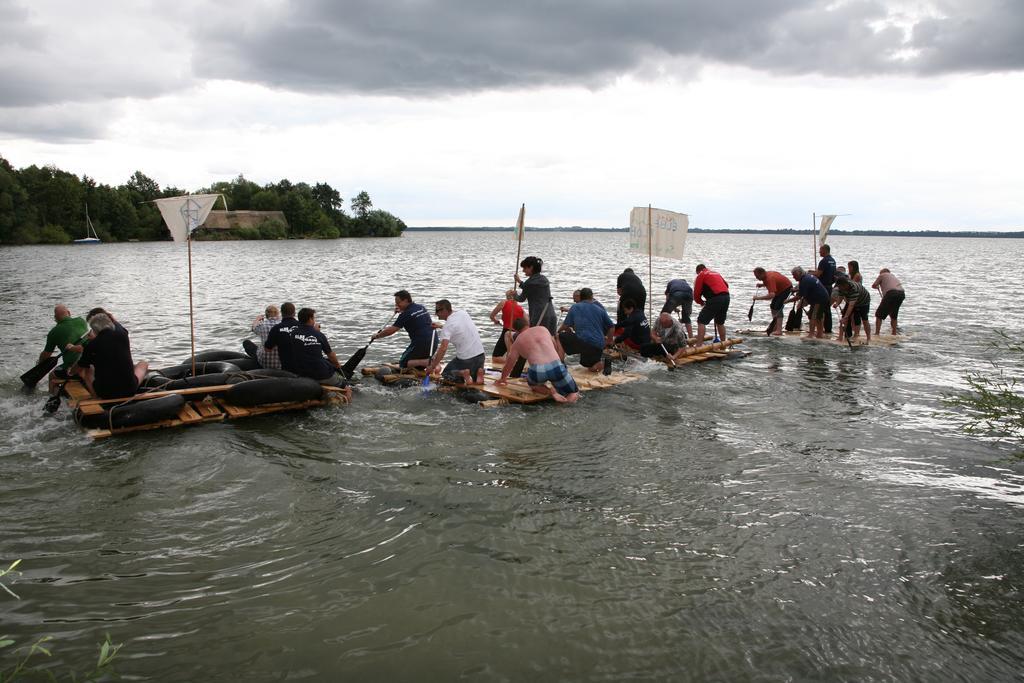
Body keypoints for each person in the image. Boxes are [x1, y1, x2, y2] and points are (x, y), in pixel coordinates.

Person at [496, 319, 579, 403]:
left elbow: (510, 362)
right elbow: (554, 345)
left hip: (537, 370)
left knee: (533, 385)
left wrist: (503, 378)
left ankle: (551, 392)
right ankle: (566, 405)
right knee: (573, 392)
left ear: (515, 330)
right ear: (528, 324)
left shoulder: (517, 342)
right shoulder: (543, 329)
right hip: (555, 366)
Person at [73, 313, 148, 399]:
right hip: (130, 389)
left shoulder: (91, 345)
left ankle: (96, 396)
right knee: (143, 363)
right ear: (110, 323)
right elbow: (116, 323)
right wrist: (109, 316)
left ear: (94, 330)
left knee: (88, 368)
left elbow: (80, 366)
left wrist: (71, 372)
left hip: (105, 393)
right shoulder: (123, 334)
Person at [39, 304, 89, 412]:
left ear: (56, 319)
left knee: (52, 376)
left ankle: (51, 399)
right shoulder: (81, 321)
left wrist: (39, 362)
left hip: (72, 368)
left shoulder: (53, 332)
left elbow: (47, 354)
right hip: (88, 364)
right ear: (69, 313)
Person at [427, 300, 487, 384]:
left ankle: (462, 373)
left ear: (444, 310)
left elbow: (443, 348)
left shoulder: (448, 327)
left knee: (446, 374)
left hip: (466, 360)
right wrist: (440, 326)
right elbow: (457, 328)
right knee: (474, 377)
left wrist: (432, 366)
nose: (436, 313)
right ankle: (479, 372)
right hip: (481, 356)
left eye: (437, 311)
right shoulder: (462, 313)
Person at [373, 290, 436, 368]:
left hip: (421, 343)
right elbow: (413, 316)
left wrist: (378, 336)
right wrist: (402, 310)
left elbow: (392, 330)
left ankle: (428, 362)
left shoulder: (405, 314)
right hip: (434, 340)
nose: (396, 305)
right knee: (416, 365)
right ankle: (430, 361)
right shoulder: (421, 307)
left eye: (398, 303)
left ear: (405, 300)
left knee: (403, 363)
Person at [558, 287, 614, 373]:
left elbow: (565, 326)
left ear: (580, 297)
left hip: (583, 341)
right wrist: (609, 340)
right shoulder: (599, 309)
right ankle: (603, 363)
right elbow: (611, 326)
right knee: (590, 367)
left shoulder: (575, 307)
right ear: (591, 297)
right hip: (597, 343)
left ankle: (560, 364)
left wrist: (557, 332)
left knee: (559, 337)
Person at [288, 307, 346, 387]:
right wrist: (337, 364)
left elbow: (306, 337)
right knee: (344, 384)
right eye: (313, 318)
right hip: (321, 373)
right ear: (310, 319)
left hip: (303, 373)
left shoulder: (293, 334)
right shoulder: (319, 335)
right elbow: (330, 355)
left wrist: (313, 330)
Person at [514, 256, 557, 334]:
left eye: (525, 268)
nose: (523, 270)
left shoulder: (529, 282)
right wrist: (520, 282)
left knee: (538, 339)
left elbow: (521, 298)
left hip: (539, 316)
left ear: (531, 267)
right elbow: (530, 287)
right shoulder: (544, 279)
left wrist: (514, 294)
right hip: (551, 314)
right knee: (551, 339)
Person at [786, 266, 830, 338]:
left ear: (799, 273)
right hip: (822, 297)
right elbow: (805, 289)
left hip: (819, 299)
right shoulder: (807, 277)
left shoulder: (805, 280)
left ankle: (811, 334)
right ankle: (820, 333)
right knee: (818, 316)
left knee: (813, 316)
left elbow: (799, 296)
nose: (793, 277)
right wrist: (795, 290)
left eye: (794, 275)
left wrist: (787, 301)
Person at [692, 264, 730, 344]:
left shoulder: (701, 275)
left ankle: (699, 345)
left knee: (701, 320)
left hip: (715, 298)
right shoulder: (716, 273)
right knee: (720, 322)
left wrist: (701, 302)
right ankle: (723, 344)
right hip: (726, 296)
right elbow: (726, 285)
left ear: (698, 271)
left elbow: (696, 294)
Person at [752, 268, 793, 336]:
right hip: (780, 289)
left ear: (762, 273)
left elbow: (771, 295)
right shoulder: (766, 276)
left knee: (777, 307)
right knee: (772, 306)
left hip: (786, 289)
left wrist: (758, 298)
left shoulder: (769, 278)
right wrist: (762, 285)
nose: (757, 278)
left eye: (757, 277)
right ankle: (775, 326)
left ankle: (779, 330)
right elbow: (772, 284)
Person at [488, 289, 525, 362]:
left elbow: (492, 316)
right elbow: (526, 322)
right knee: (510, 351)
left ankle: (512, 361)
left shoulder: (504, 302)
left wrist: (495, 321)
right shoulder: (521, 309)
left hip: (507, 331)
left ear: (507, 296)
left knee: (496, 357)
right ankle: (514, 359)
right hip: (517, 334)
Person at [834, 275, 872, 344]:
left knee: (864, 319)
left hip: (864, 301)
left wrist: (846, 317)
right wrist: (837, 304)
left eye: (840, 287)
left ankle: (869, 338)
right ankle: (840, 338)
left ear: (845, 285)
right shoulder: (840, 287)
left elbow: (851, 305)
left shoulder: (854, 288)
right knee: (843, 318)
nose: (839, 288)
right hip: (850, 300)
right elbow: (840, 296)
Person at [265, 302, 299, 372]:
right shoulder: (302, 326)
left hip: (288, 368)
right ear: (294, 313)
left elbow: (267, 349)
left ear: (281, 313)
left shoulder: (276, 329)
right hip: (305, 365)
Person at [872, 268, 906, 335]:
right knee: (894, 314)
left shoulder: (882, 275)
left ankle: (877, 333)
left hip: (891, 293)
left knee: (878, 314)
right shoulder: (893, 276)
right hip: (901, 293)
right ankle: (894, 333)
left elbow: (874, 285)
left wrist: (877, 286)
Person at [815, 244, 837, 333]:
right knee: (827, 309)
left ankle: (819, 329)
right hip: (829, 287)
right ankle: (828, 329)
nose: (819, 252)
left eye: (820, 250)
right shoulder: (833, 261)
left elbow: (818, 274)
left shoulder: (823, 261)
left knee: (820, 308)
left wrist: (809, 274)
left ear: (825, 250)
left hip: (822, 287)